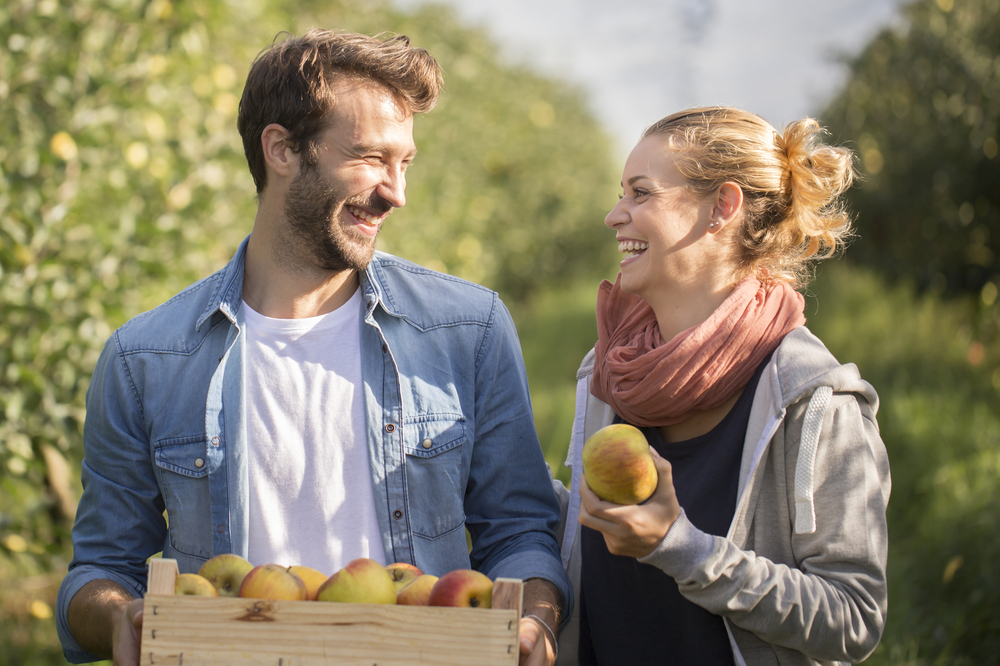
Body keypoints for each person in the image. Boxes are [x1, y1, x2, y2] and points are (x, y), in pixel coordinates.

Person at [56, 29, 569, 666]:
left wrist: (536, 624)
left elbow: (520, 531)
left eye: (404, 162)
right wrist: (120, 617)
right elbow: (100, 569)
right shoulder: (146, 360)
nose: (396, 192)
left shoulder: (468, 330)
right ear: (282, 150)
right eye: (370, 158)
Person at [552, 107, 890, 665]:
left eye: (641, 193)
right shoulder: (610, 370)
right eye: (621, 194)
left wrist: (680, 549)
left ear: (722, 207)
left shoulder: (813, 401)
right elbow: (588, 542)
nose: (615, 215)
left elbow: (852, 617)